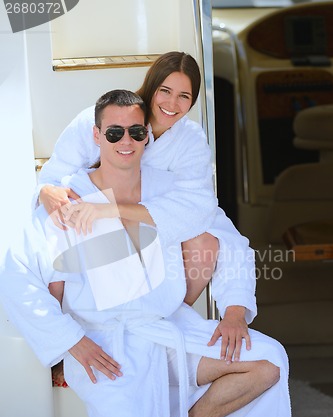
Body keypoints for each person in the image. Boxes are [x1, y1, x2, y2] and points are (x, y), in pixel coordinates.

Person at [0, 90, 290, 417]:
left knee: (267, 362)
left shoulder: (170, 190)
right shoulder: (69, 197)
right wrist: (71, 341)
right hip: (103, 345)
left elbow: (231, 244)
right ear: (96, 136)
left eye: (136, 131)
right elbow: (15, 276)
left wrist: (235, 310)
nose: (126, 141)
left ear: (147, 137)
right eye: (114, 131)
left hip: (166, 333)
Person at [37, 52, 256, 364]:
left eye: (185, 96)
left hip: (143, 233)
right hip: (94, 237)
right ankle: (70, 343)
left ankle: (165, 318)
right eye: (165, 91)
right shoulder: (100, 119)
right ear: (151, 87)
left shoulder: (189, 142)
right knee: (58, 242)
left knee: (206, 241)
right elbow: (55, 176)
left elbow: (204, 213)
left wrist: (235, 310)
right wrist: (47, 190)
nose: (172, 104)